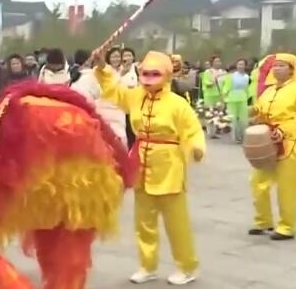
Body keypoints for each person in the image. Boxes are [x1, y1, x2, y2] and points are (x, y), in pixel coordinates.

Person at [94, 50, 204, 285]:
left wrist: (196, 147)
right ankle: (147, 265)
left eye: (155, 74)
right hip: (141, 162)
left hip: (169, 166)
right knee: (143, 222)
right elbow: (115, 90)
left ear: (166, 76)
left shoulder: (178, 103)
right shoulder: (136, 96)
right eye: (145, 73)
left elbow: (192, 129)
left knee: (177, 223)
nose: (149, 79)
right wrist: (102, 67)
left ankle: (187, 267)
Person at [248, 53, 296, 241]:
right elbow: (262, 111)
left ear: (292, 70)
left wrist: (284, 130)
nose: (276, 69)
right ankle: (263, 221)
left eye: (282, 65)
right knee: (258, 183)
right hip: (267, 142)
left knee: (286, 188)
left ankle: (286, 226)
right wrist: (255, 113)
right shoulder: (268, 91)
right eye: (275, 65)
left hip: (289, 144)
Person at [70, 49, 128, 146]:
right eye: (114, 56)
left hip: (114, 117)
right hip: (103, 118)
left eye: (118, 56)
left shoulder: (74, 78)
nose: (116, 59)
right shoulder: (95, 75)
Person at [223, 59, 252, 143]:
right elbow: (226, 87)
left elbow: (247, 89)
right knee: (233, 118)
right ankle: (235, 137)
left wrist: (248, 97)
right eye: (239, 64)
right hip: (232, 98)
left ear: (245, 66)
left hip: (243, 98)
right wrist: (224, 98)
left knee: (243, 119)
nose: (240, 66)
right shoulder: (231, 76)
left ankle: (243, 136)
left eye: (242, 64)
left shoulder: (247, 77)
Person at [201, 56, 227, 137]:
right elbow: (207, 83)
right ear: (212, 63)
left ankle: (216, 130)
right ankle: (210, 132)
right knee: (210, 113)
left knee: (218, 113)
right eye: (216, 61)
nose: (218, 63)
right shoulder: (208, 72)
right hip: (209, 95)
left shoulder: (223, 72)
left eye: (219, 61)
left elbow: (226, 84)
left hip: (219, 95)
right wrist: (214, 78)